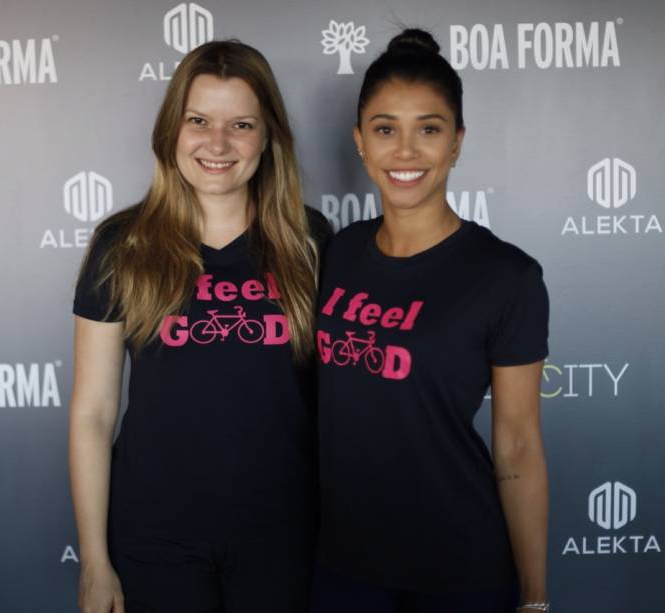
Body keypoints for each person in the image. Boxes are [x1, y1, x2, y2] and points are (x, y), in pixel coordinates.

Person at [69, 40, 331, 613]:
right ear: (172, 131)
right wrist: (94, 562)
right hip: (156, 542)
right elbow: (93, 414)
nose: (218, 144)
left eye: (241, 124)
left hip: (285, 536)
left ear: (268, 137)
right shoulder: (125, 245)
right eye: (198, 121)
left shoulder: (311, 242)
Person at [312, 29, 550, 613]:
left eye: (430, 128)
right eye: (385, 128)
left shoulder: (506, 276)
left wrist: (536, 599)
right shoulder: (333, 255)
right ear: (361, 142)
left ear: (457, 142)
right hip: (341, 569)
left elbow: (517, 444)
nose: (406, 151)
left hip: (459, 568)